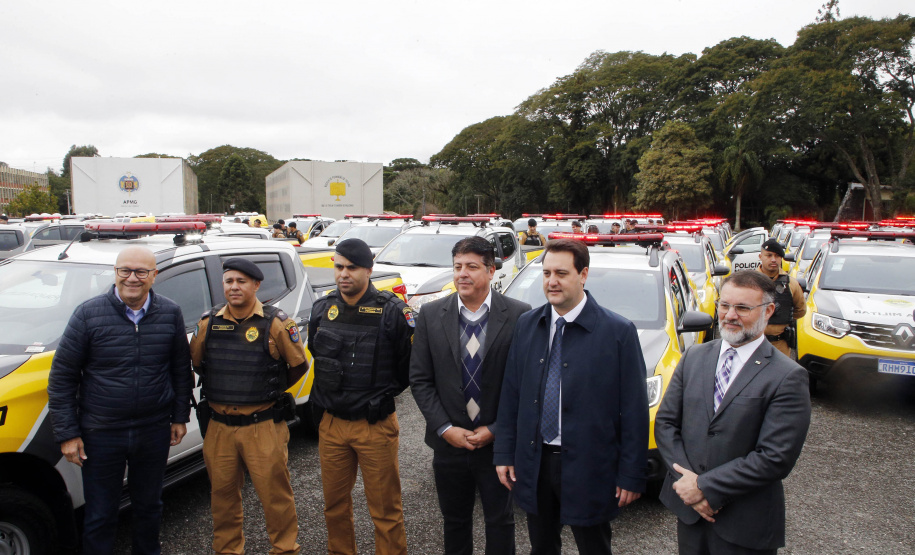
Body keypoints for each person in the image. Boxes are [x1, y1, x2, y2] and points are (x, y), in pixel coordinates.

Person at [494, 239, 649, 555]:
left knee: (594, 547)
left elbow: (634, 410)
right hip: (536, 463)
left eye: (561, 273)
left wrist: (632, 474)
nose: (552, 282)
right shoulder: (527, 325)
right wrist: (504, 453)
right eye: (546, 273)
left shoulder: (618, 332)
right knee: (541, 546)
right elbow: (511, 395)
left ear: (583, 275)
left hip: (590, 466)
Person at [48, 246, 193, 555]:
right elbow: (62, 378)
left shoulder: (170, 312)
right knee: (100, 514)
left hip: (152, 430)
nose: (132, 278)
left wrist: (180, 416)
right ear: (115, 273)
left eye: (141, 272)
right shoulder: (88, 314)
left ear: (154, 275)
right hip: (101, 432)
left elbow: (181, 369)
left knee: (149, 507)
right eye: (124, 270)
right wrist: (68, 434)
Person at [655, 270, 811, 554]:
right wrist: (687, 485)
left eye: (742, 308)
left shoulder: (787, 376)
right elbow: (666, 424)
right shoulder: (694, 357)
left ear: (768, 311)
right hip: (690, 515)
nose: (730, 315)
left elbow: (775, 457)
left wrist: (704, 487)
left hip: (745, 524)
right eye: (724, 305)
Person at [410, 237, 531, 555]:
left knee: (501, 521)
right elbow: (420, 380)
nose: (462, 273)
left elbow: (525, 385)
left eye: (472, 267)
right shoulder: (431, 315)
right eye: (457, 266)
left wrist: (497, 430)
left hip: (497, 447)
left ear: (491, 271)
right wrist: (445, 428)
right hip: (449, 445)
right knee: (454, 522)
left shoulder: (519, 315)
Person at [190, 257, 309, 555]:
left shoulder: (276, 323)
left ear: (256, 285)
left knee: (275, 497)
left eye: (241, 281)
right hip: (219, 427)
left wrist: (267, 389)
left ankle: (285, 550)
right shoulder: (208, 322)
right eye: (229, 281)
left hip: (262, 425)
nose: (234, 287)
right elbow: (198, 364)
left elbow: (298, 365)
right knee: (222, 499)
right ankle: (228, 550)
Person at [308, 238, 415, 555]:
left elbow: (407, 369)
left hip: (374, 425)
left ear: (368, 270)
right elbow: (316, 353)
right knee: (334, 506)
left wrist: (377, 396)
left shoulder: (393, 312)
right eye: (339, 267)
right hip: (332, 425)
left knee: (385, 510)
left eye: (352, 268)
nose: (343, 274)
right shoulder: (322, 308)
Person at [757, 239, 806, 357]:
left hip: (780, 345)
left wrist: (784, 315)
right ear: (760, 257)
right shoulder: (749, 282)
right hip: (754, 342)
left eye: (777, 256)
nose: (773, 259)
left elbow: (800, 310)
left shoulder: (791, 284)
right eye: (769, 255)